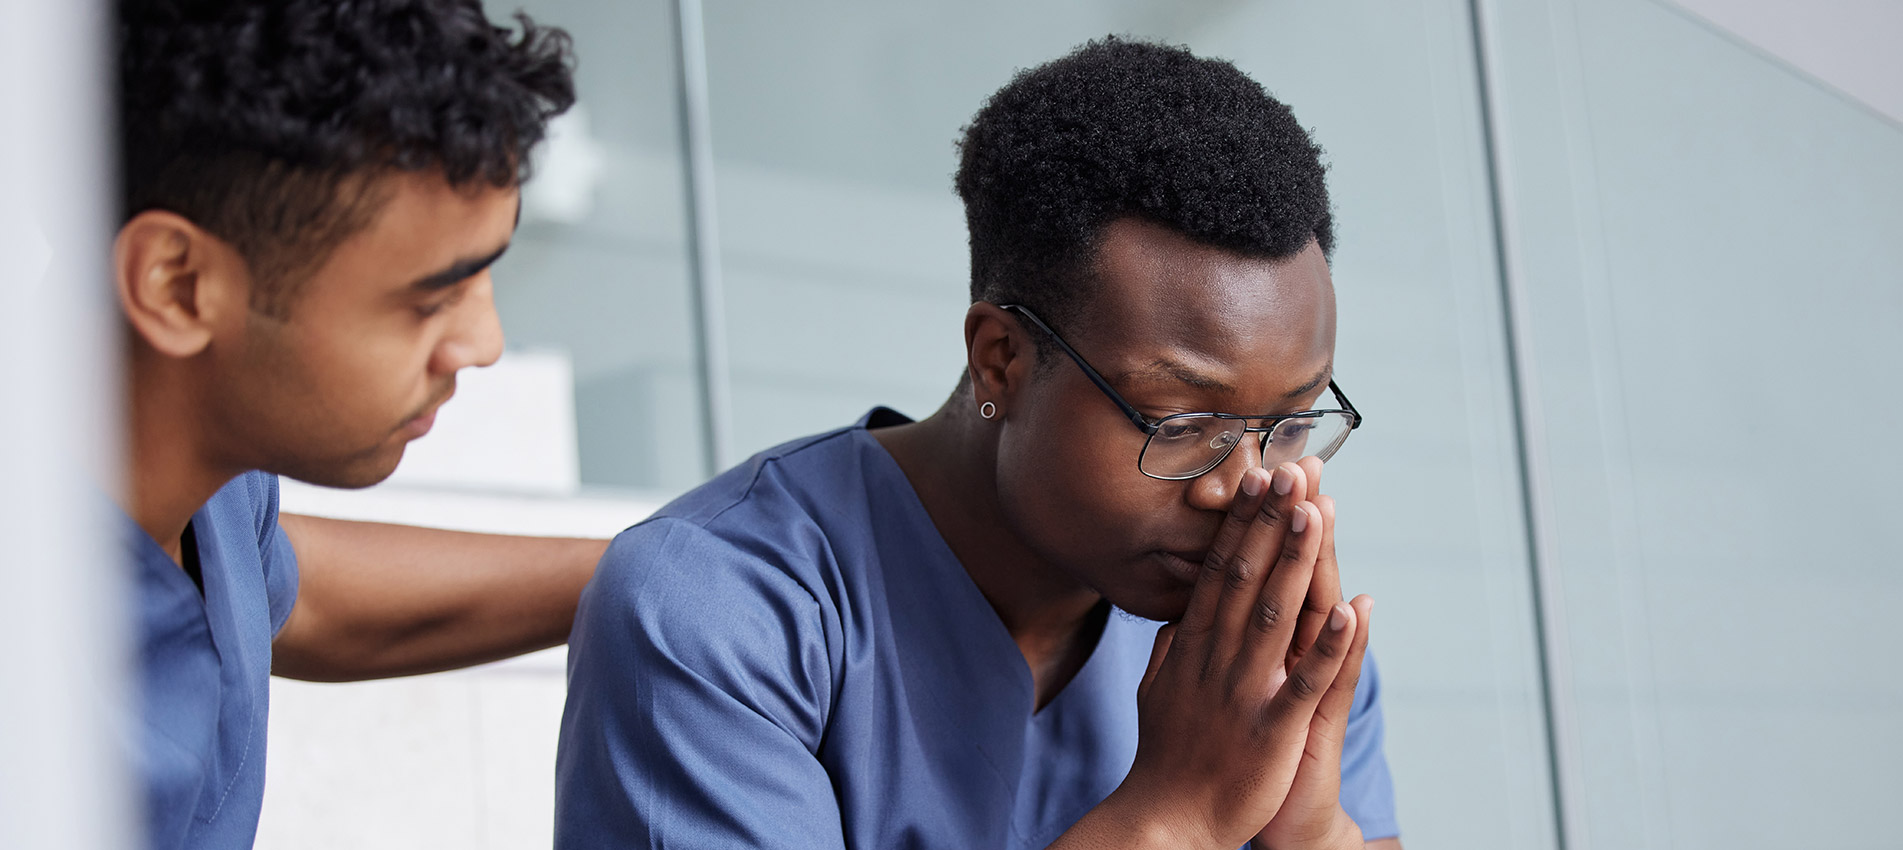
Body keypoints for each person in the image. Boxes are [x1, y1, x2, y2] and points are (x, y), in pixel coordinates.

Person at [557, 37, 1401, 850]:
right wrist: (1174, 816)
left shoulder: (1260, 635)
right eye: (1180, 424)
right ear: (1001, 360)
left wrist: (1314, 831)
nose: (1242, 488)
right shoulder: (716, 616)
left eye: (1289, 426)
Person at [113, 2, 606, 848]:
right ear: (178, 284)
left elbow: (285, 590)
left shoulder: (207, 493)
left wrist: (659, 569)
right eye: (432, 299)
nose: (481, 345)